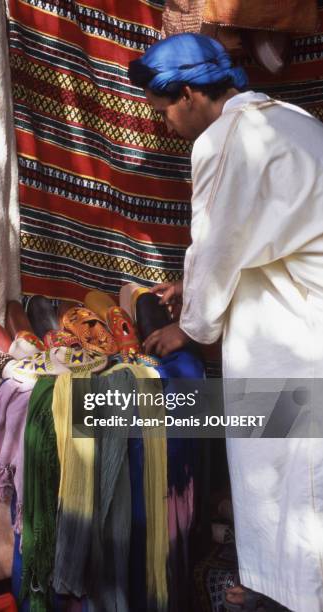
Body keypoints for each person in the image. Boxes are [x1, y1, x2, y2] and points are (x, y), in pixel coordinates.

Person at [129, 33, 323, 612]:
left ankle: (285, 597)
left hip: (294, 336)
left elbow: (216, 246)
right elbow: (273, 232)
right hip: (306, 308)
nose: (164, 123)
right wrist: (191, 287)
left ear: (190, 94)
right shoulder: (291, 120)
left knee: (289, 482)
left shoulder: (225, 139)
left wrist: (187, 326)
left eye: (164, 108)